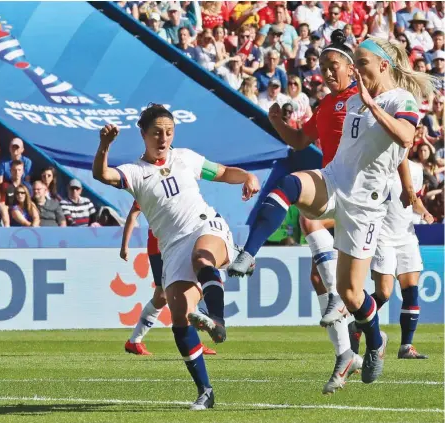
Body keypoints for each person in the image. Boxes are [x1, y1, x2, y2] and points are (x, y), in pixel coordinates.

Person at [229, 33, 437, 386]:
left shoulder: (400, 99)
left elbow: (405, 138)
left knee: (353, 293)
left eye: (362, 64)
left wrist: (373, 108)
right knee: (289, 186)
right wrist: (280, 120)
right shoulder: (351, 98)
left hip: (365, 205)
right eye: (354, 64)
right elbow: (307, 140)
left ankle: (374, 341)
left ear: (383, 66)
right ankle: (247, 254)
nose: (357, 70)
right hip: (333, 180)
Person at [93, 104, 260, 410]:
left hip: (205, 225)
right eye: (157, 132)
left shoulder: (185, 157)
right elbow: (102, 174)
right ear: (143, 134)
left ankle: (217, 320)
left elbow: (222, 172)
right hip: (172, 247)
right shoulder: (135, 172)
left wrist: (247, 176)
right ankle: (206, 392)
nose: (164, 138)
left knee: (202, 258)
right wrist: (104, 146)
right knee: (180, 318)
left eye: (169, 132)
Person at [120, 201, 216, 357]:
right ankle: (193, 342)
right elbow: (133, 213)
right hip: (161, 246)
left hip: (173, 244)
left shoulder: (179, 187)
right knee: (179, 291)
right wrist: (124, 246)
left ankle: (134, 341)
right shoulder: (151, 186)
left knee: (163, 295)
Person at [367, 159, 433, 360]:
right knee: (384, 292)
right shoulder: (377, 164)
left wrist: (425, 212)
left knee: (411, 289)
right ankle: (359, 320)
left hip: (406, 236)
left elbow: (415, 200)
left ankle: (406, 346)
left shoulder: (416, 169)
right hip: (382, 237)